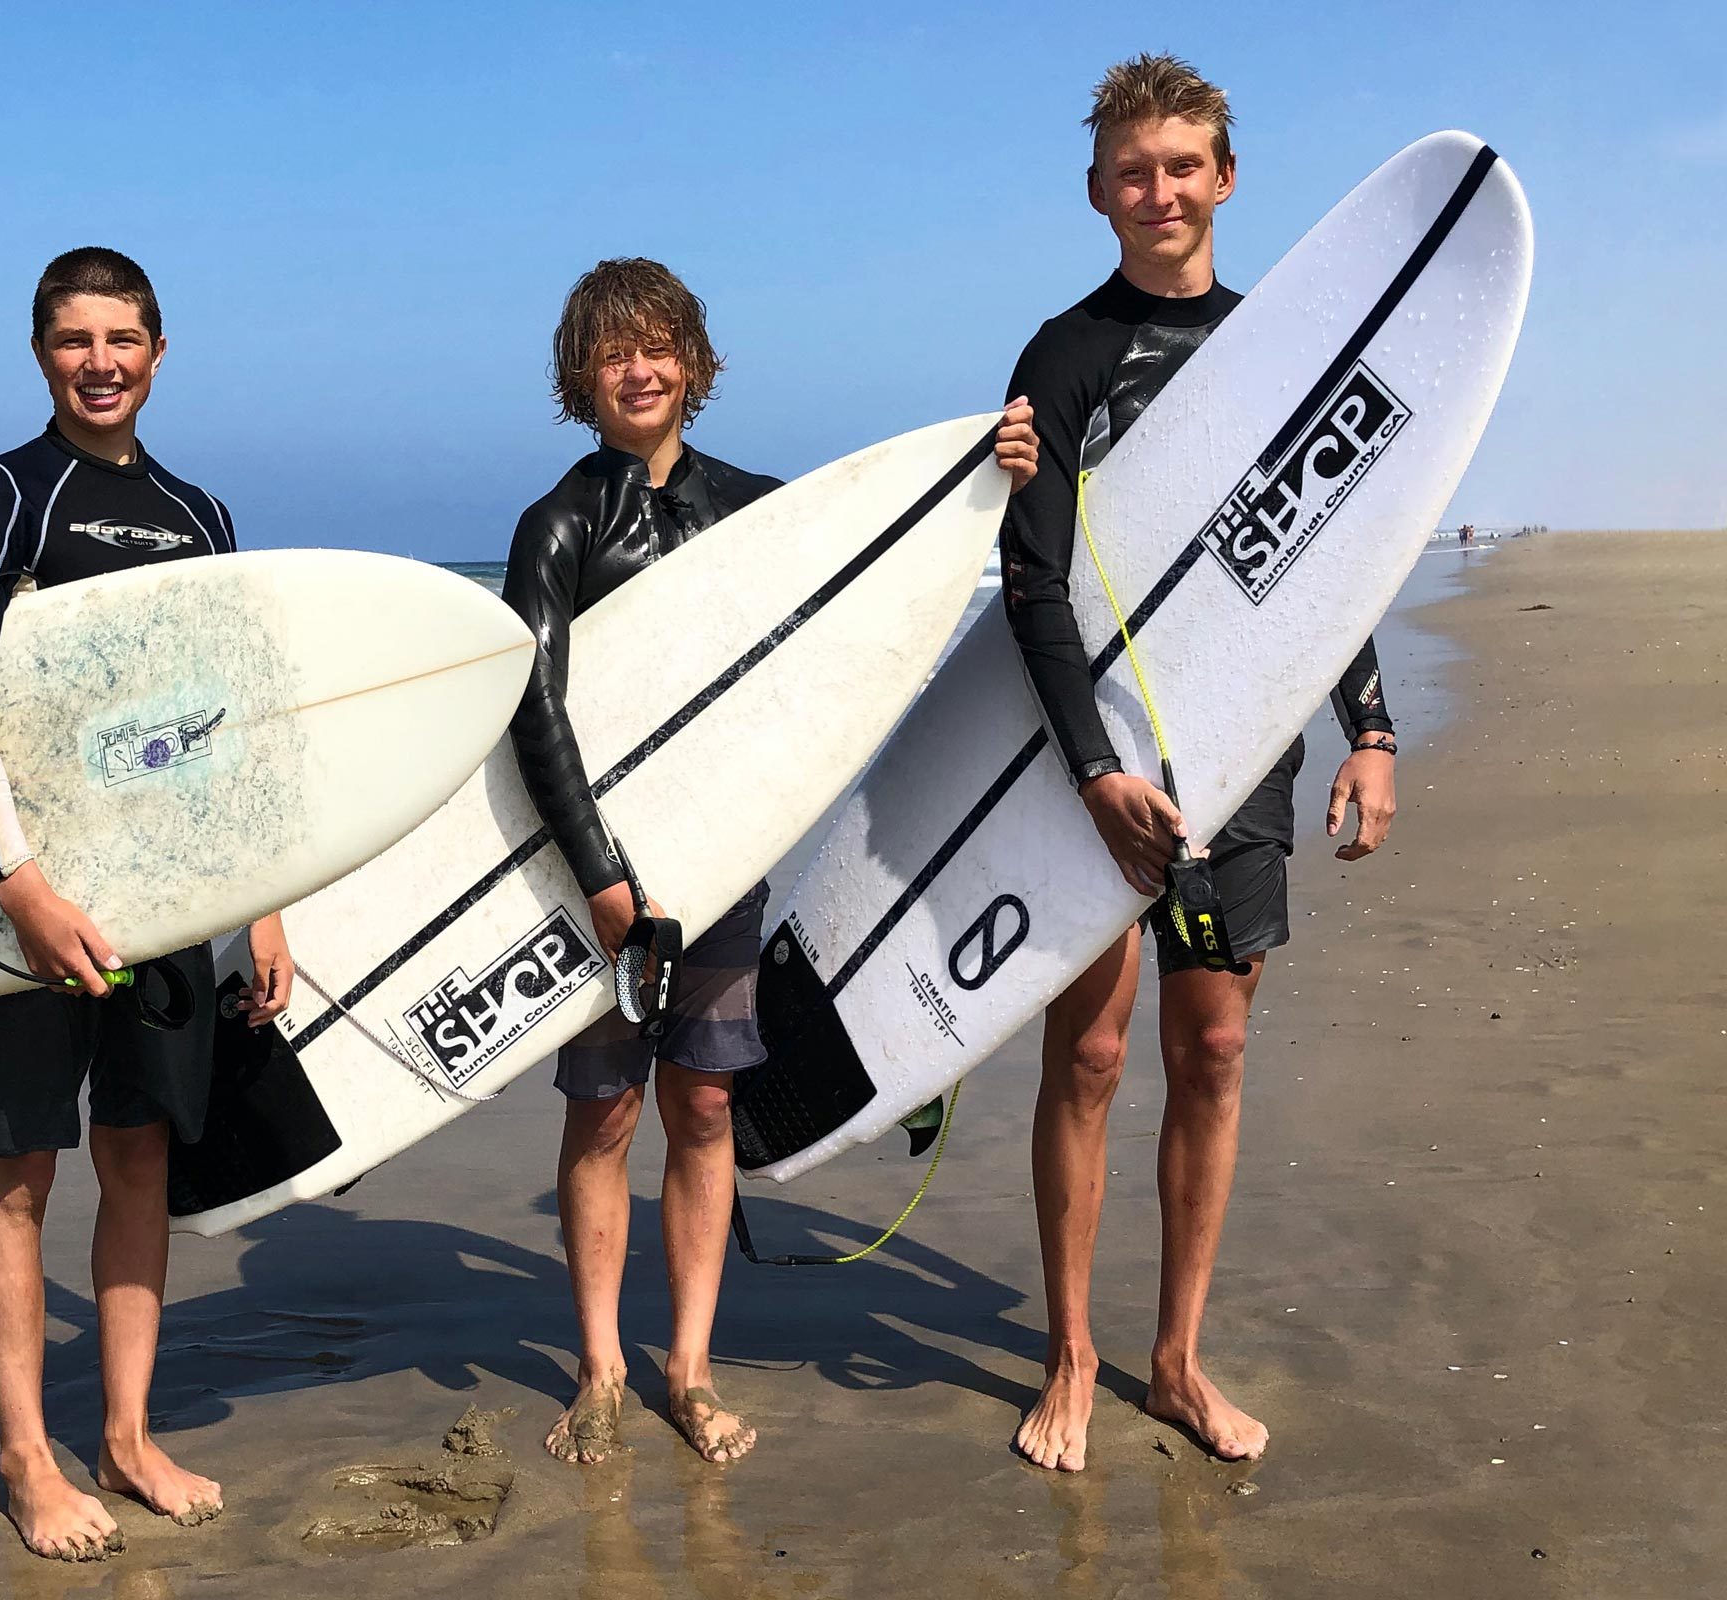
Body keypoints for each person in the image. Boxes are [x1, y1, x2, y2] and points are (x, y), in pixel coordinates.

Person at [505, 259, 1038, 1467]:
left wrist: (987, 478)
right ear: (579, 380)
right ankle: (599, 1368)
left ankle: (687, 1368)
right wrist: (598, 875)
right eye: (610, 353)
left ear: (692, 360)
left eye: (657, 346)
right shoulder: (559, 526)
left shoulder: (759, 508)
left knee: (701, 1105)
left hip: (723, 864)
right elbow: (536, 712)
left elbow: (870, 581)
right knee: (602, 1116)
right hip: (597, 882)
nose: (637, 370)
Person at [997, 55, 1401, 1474]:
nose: (1159, 190)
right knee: (1094, 1055)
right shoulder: (1060, 358)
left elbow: (1328, 568)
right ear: (1099, 191)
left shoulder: (1282, 351)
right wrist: (1094, 769)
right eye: (1132, 170)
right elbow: (1033, 587)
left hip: (1244, 753)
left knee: (1213, 1048)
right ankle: (1066, 1355)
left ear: (1225, 177)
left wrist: (1370, 731)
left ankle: (1173, 1361)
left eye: (1183, 165)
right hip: (1095, 770)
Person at [0, 247, 294, 1557]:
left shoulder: (201, 513)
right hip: (30, 907)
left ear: (160, 350)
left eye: (122, 336)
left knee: (139, 1154)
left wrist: (265, 905)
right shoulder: (3, 496)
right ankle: (28, 1457)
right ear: (41, 354)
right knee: (18, 1168)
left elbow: (225, 729)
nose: (100, 360)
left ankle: (126, 1435)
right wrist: (18, 890)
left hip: (168, 899)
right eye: (75, 339)